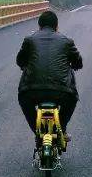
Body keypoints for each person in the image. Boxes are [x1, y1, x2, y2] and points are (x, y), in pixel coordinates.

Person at [16, 10, 83, 138]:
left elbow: (20, 61)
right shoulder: (67, 41)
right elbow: (78, 62)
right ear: (57, 26)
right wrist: (74, 65)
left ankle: (38, 130)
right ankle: (61, 130)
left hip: (31, 92)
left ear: (39, 26)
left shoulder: (29, 40)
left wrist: (25, 65)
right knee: (72, 100)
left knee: (24, 101)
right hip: (62, 92)